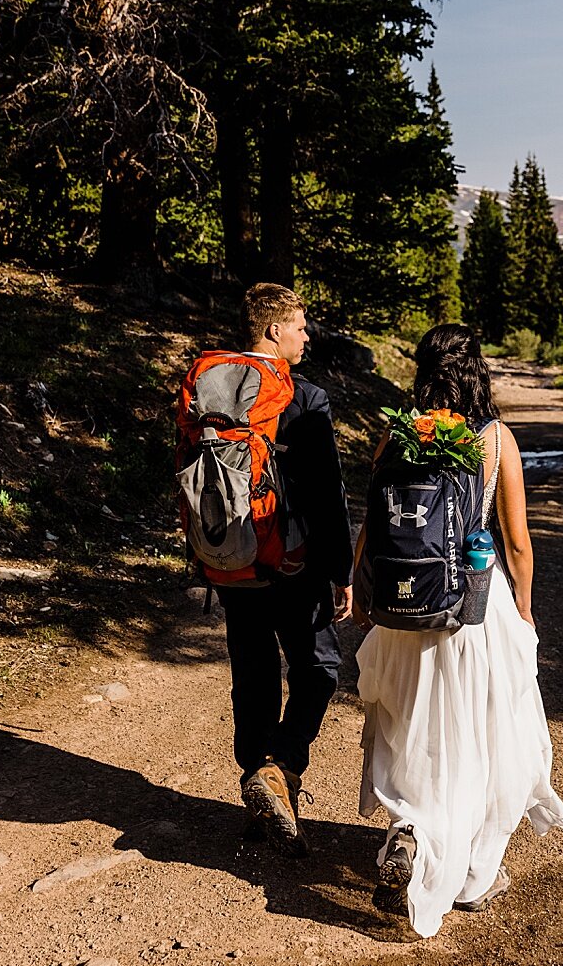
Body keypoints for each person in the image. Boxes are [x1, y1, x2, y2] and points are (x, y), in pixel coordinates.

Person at [351, 323, 563, 937]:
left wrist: (358, 589)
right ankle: (472, 874)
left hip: (404, 606)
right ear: (476, 370)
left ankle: (412, 832)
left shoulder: (397, 435)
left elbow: (372, 526)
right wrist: (524, 610)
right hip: (472, 605)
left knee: (409, 722)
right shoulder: (495, 440)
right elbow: (518, 544)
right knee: (483, 732)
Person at [209, 283, 352, 856]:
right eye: (298, 325)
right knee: (318, 668)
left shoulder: (212, 389)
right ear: (273, 331)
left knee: (254, 671)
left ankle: (257, 779)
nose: (306, 334)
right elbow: (326, 490)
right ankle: (281, 767)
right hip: (294, 561)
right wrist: (341, 567)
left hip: (232, 555)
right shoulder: (304, 397)